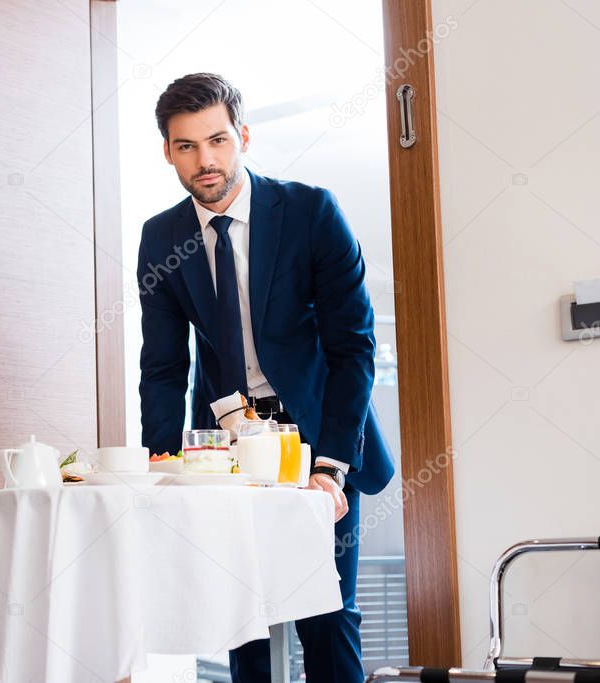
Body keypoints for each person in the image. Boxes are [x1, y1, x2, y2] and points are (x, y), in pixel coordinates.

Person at [137, 73, 394, 683]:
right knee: (239, 618)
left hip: (318, 433)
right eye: (186, 146)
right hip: (228, 443)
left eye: (218, 140)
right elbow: (164, 367)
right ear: (168, 151)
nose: (206, 160)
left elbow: (352, 347)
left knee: (326, 612)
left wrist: (331, 466)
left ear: (243, 136)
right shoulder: (161, 237)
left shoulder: (310, 211)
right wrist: (164, 464)